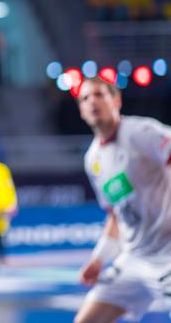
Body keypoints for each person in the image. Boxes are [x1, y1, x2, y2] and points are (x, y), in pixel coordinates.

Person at [74, 76, 171, 323]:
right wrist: (99, 259)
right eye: (85, 98)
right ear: (81, 112)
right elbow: (116, 215)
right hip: (134, 259)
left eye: (99, 95)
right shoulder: (93, 159)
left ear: (116, 100)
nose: (92, 102)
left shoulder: (140, 132)